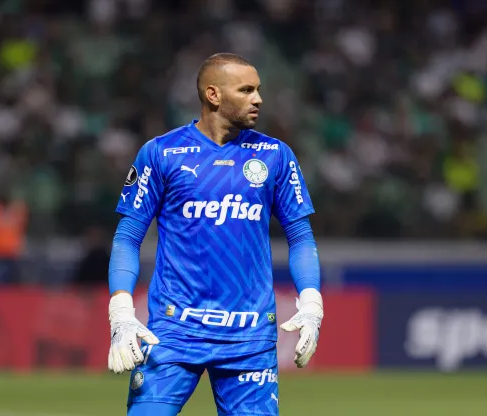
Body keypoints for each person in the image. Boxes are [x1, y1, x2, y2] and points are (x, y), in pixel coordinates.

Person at [107, 53, 324, 416]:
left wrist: (313, 304)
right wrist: (121, 313)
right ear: (213, 95)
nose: (258, 99)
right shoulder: (163, 153)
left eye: (258, 90)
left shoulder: (274, 155)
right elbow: (127, 236)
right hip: (174, 332)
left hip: (249, 336)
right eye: (246, 90)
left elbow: (300, 236)